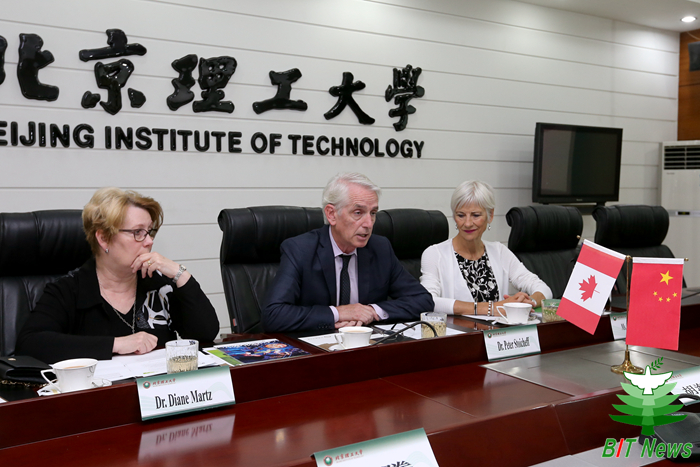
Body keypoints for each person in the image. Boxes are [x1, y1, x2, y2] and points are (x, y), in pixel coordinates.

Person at [16, 187, 219, 363]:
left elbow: (205, 334)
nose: (149, 241)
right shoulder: (70, 290)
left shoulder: (158, 284)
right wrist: (116, 344)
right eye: (138, 232)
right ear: (104, 238)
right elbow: (29, 344)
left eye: (149, 231)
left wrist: (179, 273)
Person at [263, 173, 434, 333]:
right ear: (331, 214)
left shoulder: (380, 248)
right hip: (317, 345)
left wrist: (372, 311)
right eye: (358, 213)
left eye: (373, 213)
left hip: (367, 343)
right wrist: (338, 313)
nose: (369, 224)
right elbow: (274, 314)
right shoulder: (300, 249)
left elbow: (423, 300)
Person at [420, 180, 552, 317]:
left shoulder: (499, 251)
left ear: (490, 215)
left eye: (476, 215)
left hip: (499, 330)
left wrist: (527, 303)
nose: (467, 223)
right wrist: (490, 308)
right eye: (461, 215)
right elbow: (428, 301)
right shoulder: (434, 254)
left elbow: (544, 289)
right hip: (457, 330)